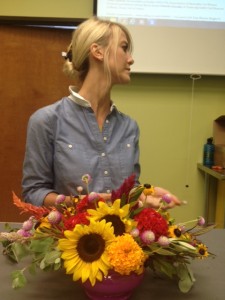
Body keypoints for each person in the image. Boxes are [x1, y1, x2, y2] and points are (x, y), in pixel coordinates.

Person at [22, 17, 180, 209]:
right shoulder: (46, 120)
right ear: (98, 51)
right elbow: (33, 193)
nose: (130, 59)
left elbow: (128, 191)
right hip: (69, 237)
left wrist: (145, 196)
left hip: (120, 238)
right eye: (124, 48)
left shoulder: (129, 127)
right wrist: (80, 204)